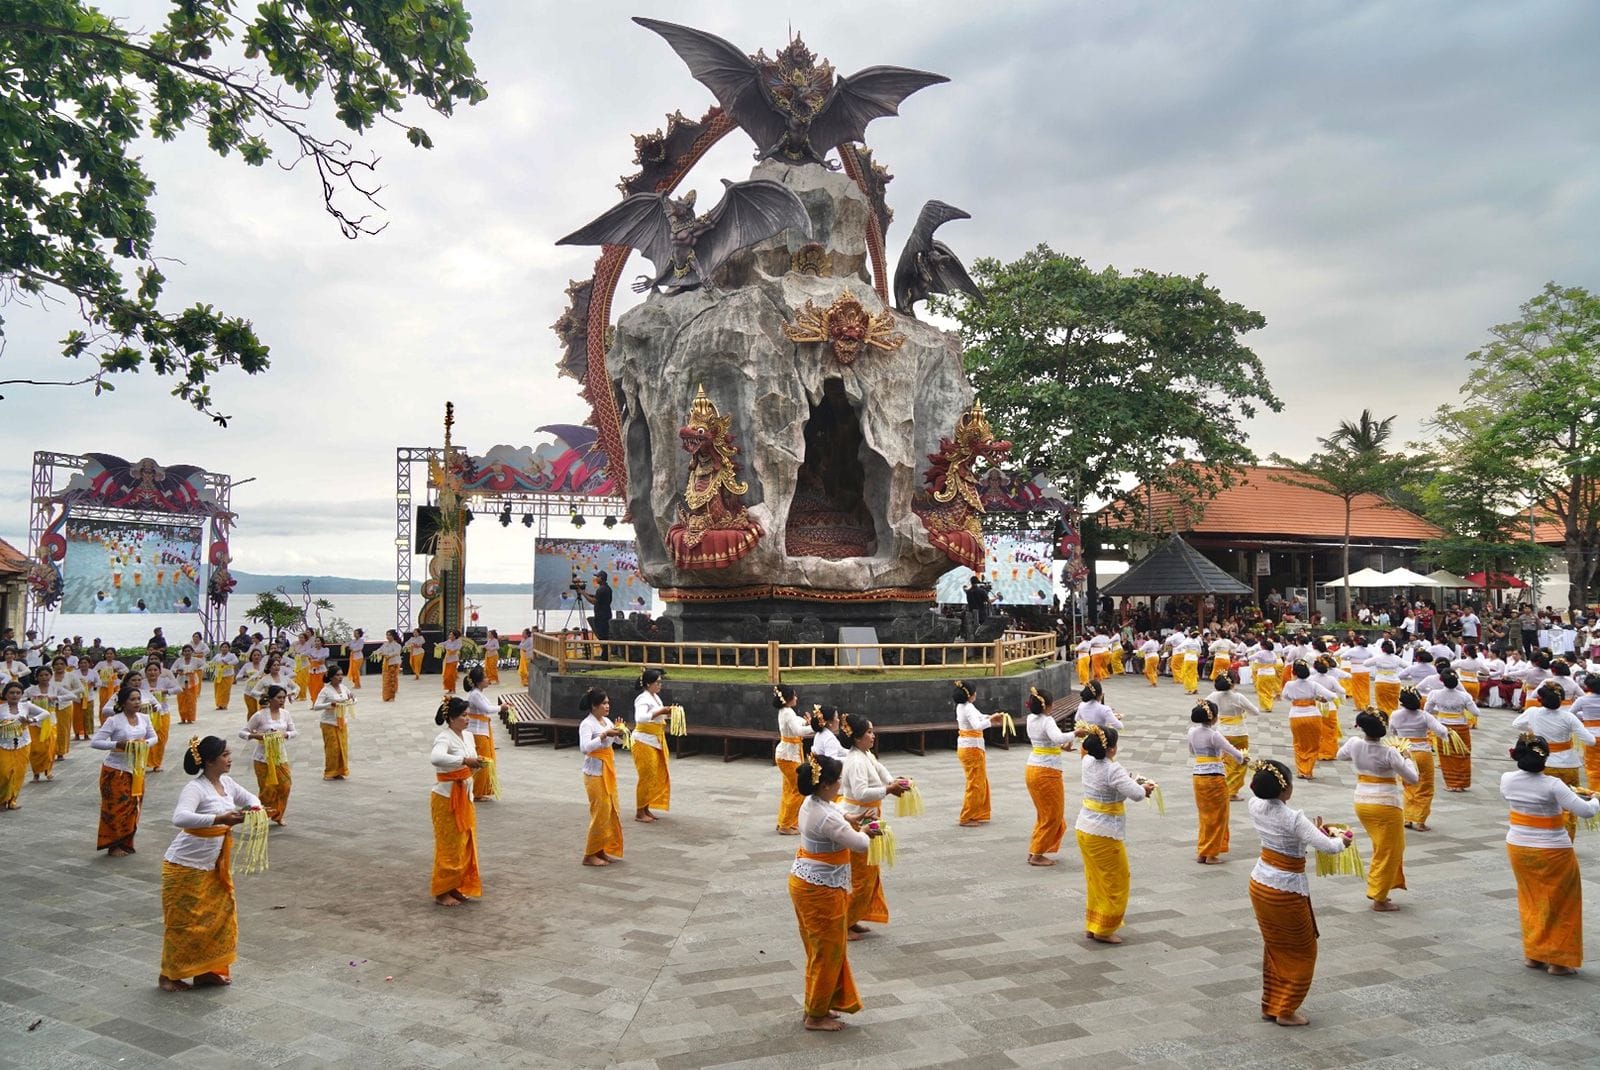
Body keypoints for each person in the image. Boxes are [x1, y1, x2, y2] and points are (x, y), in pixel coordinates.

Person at [1246, 758, 1354, 1025]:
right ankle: (1286, 1010)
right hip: (1285, 889)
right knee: (1302, 951)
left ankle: (1272, 1003)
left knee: (1276, 946)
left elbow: (1300, 838)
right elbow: (1329, 847)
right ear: (1285, 790)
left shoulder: (1254, 805)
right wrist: (1343, 840)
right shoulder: (1293, 818)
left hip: (1260, 881)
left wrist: (1314, 834)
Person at [158, 735, 261, 992]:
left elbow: (251, 798)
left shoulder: (226, 782)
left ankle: (206, 972)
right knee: (184, 923)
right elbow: (180, 818)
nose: (230, 759)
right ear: (210, 761)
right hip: (185, 865)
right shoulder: (196, 788)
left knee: (217, 919)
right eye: (225, 755)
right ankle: (169, 975)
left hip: (212, 866)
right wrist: (219, 818)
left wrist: (254, 810)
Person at [789, 752, 879, 1031]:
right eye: (838, 780)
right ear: (826, 784)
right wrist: (867, 830)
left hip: (809, 882)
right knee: (827, 952)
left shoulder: (812, 802)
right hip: (820, 890)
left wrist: (853, 816)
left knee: (822, 950)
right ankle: (815, 1014)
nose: (841, 784)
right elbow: (860, 845)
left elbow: (838, 810)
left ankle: (821, 1003)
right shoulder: (826, 817)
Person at [1500, 733, 1600, 975]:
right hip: (1553, 850)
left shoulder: (1507, 779)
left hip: (1519, 846)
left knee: (1531, 899)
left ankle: (1534, 954)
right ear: (1546, 759)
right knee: (1562, 903)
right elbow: (1586, 812)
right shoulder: (1553, 785)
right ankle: (1558, 960)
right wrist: (1596, 800)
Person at [1075, 724, 1156, 944]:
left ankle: (1094, 924)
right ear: (1111, 749)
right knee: (1116, 881)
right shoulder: (1112, 768)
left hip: (1085, 827)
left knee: (1095, 879)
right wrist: (1145, 787)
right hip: (1104, 832)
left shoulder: (1087, 761)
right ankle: (1104, 928)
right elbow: (1137, 795)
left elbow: (1119, 784)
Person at [1336, 712, 1419, 911]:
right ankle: (1379, 896)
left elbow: (1340, 756)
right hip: (1386, 804)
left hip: (1362, 801)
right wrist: (1407, 758)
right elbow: (1413, 778)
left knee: (1381, 847)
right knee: (1390, 850)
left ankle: (1381, 889)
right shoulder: (1389, 752)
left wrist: (1361, 761)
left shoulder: (1355, 744)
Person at [838, 713, 909, 940]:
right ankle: (844, 923)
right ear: (858, 738)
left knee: (869, 871)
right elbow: (860, 793)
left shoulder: (865, 754)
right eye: (869, 732)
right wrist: (888, 789)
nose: (873, 736)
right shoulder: (856, 761)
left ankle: (854, 917)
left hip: (871, 815)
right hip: (859, 818)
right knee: (862, 875)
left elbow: (880, 770)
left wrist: (893, 782)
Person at [1512, 682, 1595, 840]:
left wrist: (1533, 733)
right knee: (1569, 805)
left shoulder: (1533, 712)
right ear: (1561, 698)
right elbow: (1590, 741)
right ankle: (1565, 840)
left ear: (1541, 699)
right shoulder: (1568, 717)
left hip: (1543, 763)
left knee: (1543, 803)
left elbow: (1515, 724)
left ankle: (1542, 837)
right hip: (1568, 765)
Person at [90, 684, 159, 854]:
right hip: (115, 770)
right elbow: (96, 742)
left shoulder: (144, 718)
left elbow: (154, 737)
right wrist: (117, 744)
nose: (136, 702)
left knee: (132, 805)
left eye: (138, 699)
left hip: (136, 770)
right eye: (132, 699)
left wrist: (144, 744)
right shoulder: (114, 720)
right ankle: (113, 844)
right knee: (116, 807)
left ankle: (125, 841)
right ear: (123, 702)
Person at [430, 696, 485, 904]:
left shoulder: (468, 736)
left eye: (467, 714)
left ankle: (456, 885)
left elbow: (470, 759)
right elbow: (436, 758)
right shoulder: (444, 738)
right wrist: (463, 760)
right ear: (452, 719)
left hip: (465, 796)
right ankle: (442, 890)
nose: (467, 718)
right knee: (449, 844)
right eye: (463, 715)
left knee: (464, 843)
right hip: (446, 797)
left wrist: (476, 763)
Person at [1188, 700, 1244, 865]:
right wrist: (1242, 758)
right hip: (1214, 777)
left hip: (1198, 775)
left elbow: (1191, 751)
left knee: (1205, 815)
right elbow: (1233, 751)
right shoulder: (1214, 735)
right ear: (1213, 718)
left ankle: (1202, 851)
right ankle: (1211, 854)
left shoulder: (1192, 732)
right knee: (1218, 817)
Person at [1024, 687, 1074, 866]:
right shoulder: (1047, 720)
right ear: (1048, 706)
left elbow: (1044, 741)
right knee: (1053, 815)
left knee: (1044, 814)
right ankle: (1037, 854)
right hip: (1046, 772)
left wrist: (1062, 747)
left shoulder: (1031, 718)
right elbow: (1058, 737)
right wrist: (1077, 733)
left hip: (1033, 768)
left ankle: (1035, 849)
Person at [1390, 687, 1450, 832]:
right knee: (1425, 786)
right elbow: (1441, 730)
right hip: (1422, 752)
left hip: (1404, 751)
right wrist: (1447, 734)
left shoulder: (1396, 714)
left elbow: (1392, 731)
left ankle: (1408, 818)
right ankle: (1419, 820)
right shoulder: (1424, 716)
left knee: (1408, 785)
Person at [578, 688, 625, 866]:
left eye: (607, 703)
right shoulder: (587, 724)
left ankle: (601, 849)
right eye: (604, 703)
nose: (607, 706)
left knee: (610, 811)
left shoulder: (606, 721)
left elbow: (616, 742)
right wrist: (604, 735)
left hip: (608, 770)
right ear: (594, 706)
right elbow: (584, 748)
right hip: (595, 774)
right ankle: (589, 854)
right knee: (600, 812)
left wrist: (619, 732)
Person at [239, 685, 296, 825]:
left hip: (280, 757)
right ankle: (260, 816)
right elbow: (242, 732)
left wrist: (286, 734)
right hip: (262, 758)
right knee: (267, 789)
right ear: (270, 699)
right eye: (279, 697)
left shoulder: (285, 714)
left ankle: (278, 814)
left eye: (283, 697)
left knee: (285, 786)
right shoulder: (260, 715)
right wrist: (256, 736)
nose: (282, 700)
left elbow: (294, 731)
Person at [952, 680, 1004, 827]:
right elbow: (977, 725)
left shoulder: (965, 706)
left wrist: (991, 716)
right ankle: (967, 816)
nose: (976, 694)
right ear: (970, 695)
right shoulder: (967, 708)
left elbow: (980, 716)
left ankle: (978, 813)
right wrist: (991, 721)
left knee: (980, 781)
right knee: (975, 784)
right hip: (971, 749)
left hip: (970, 748)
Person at [1424, 668, 1481, 791]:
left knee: (1446, 756)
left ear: (1442, 681)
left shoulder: (1435, 694)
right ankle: (1461, 783)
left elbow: (1427, 710)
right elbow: (1476, 713)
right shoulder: (1465, 696)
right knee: (1462, 755)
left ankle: (1451, 784)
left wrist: (1441, 712)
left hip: (1442, 727)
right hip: (1461, 727)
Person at [1281, 662, 1340, 781]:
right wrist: (1317, 698)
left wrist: (1296, 698)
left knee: (1299, 743)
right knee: (1313, 744)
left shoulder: (1289, 684)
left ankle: (1302, 770)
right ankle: (1308, 771)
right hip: (1313, 715)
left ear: (1294, 673)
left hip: (1296, 715)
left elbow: (1285, 696)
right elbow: (1332, 696)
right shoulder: (1313, 685)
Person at [1204, 674, 1258, 800]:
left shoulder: (1213, 696)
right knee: (1240, 762)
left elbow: (1204, 707)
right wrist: (1242, 711)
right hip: (1239, 732)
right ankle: (1231, 790)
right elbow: (1255, 711)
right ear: (1232, 683)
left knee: (1226, 761)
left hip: (1222, 732)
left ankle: (1223, 786)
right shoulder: (1238, 697)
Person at [631, 668, 670, 822]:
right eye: (657, 682)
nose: (660, 685)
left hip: (655, 739)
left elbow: (659, 715)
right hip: (643, 740)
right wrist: (660, 712)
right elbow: (641, 718)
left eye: (660, 682)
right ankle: (639, 811)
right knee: (646, 776)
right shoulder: (642, 699)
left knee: (653, 775)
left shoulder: (655, 698)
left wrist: (669, 713)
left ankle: (646, 807)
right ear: (648, 684)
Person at [772, 684, 812, 835]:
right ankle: (786, 824)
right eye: (794, 695)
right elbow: (798, 730)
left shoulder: (787, 711)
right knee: (799, 789)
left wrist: (808, 723)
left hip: (787, 755)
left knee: (789, 789)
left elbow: (798, 722)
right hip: (788, 756)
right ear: (788, 698)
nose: (796, 698)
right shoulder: (787, 712)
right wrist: (814, 727)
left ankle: (784, 821)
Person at [462, 666, 507, 801]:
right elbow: (487, 709)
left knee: (485, 760)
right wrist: (501, 707)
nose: (488, 679)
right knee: (482, 761)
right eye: (485, 677)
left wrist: (502, 706)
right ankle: (476, 792)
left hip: (482, 730)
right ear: (478, 681)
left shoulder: (478, 693)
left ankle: (480, 790)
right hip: (477, 732)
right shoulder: (475, 694)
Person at [0, 681, 44, 810]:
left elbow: (45, 713)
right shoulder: (1, 709)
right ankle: (2, 799)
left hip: (23, 743)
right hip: (3, 744)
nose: (15, 695)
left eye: (18, 693)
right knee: (4, 773)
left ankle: (13, 800)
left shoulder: (26, 706)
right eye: (11, 693)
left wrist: (32, 720)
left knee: (19, 772)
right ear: (5, 694)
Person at [312, 664, 355, 781]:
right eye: (337, 675)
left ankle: (340, 770)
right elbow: (316, 706)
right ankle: (330, 772)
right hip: (329, 723)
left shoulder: (344, 688)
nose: (340, 678)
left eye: (341, 675)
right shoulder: (325, 690)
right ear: (331, 677)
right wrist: (330, 705)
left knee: (342, 747)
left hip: (342, 722)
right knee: (333, 748)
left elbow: (353, 699)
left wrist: (352, 700)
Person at [1573, 674, 1600, 788]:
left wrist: (1585, 716)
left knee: (1592, 765)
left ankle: (1596, 790)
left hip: (1591, 735)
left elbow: (1571, 713)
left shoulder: (1583, 700)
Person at [579, 571, 614, 657]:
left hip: (601, 616)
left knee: (602, 636)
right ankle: (605, 655)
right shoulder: (606, 588)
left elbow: (594, 601)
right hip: (605, 614)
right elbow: (596, 597)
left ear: (601, 578)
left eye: (597, 577)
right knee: (604, 635)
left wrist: (582, 593)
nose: (596, 578)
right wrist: (585, 592)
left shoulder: (601, 589)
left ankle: (605, 656)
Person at [373, 630, 404, 702]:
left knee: (391, 680)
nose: (388, 637)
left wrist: (387, 655)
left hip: (393, 664)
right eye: (387, 635)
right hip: (386, 664)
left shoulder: (397, 645)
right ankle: (386, 696)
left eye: (389, 635)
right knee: (386, 681)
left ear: (393, 636)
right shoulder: (385, 644)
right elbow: (379, 650)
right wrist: (377, 652)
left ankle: (391, 697)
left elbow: (396, 653)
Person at [210, 644, 238, 711]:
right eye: (223, 647)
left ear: (228, 648)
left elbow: (236, 661)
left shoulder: (231, 655)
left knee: (225, 691)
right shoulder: (217, 656)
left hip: (227, 675)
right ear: (220, 648)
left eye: (226, 647)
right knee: (217, 690)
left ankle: (223, 704)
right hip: (218, 675)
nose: (224, 648)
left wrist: (228, 663)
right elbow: (212, 662)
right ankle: (219, 704)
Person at [439, 629, 463, 694]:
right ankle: (449, 688)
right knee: (446, 676)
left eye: (451, 635)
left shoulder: (458, 642)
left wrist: (449, 649)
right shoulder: (448, 641)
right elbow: (443, 644)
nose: (450, 636)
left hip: (453, 660)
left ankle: (453, 689)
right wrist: (438, 645)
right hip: (447, 660)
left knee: (451, 675)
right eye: (450, 634)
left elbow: (456, 649)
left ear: (455, 636)